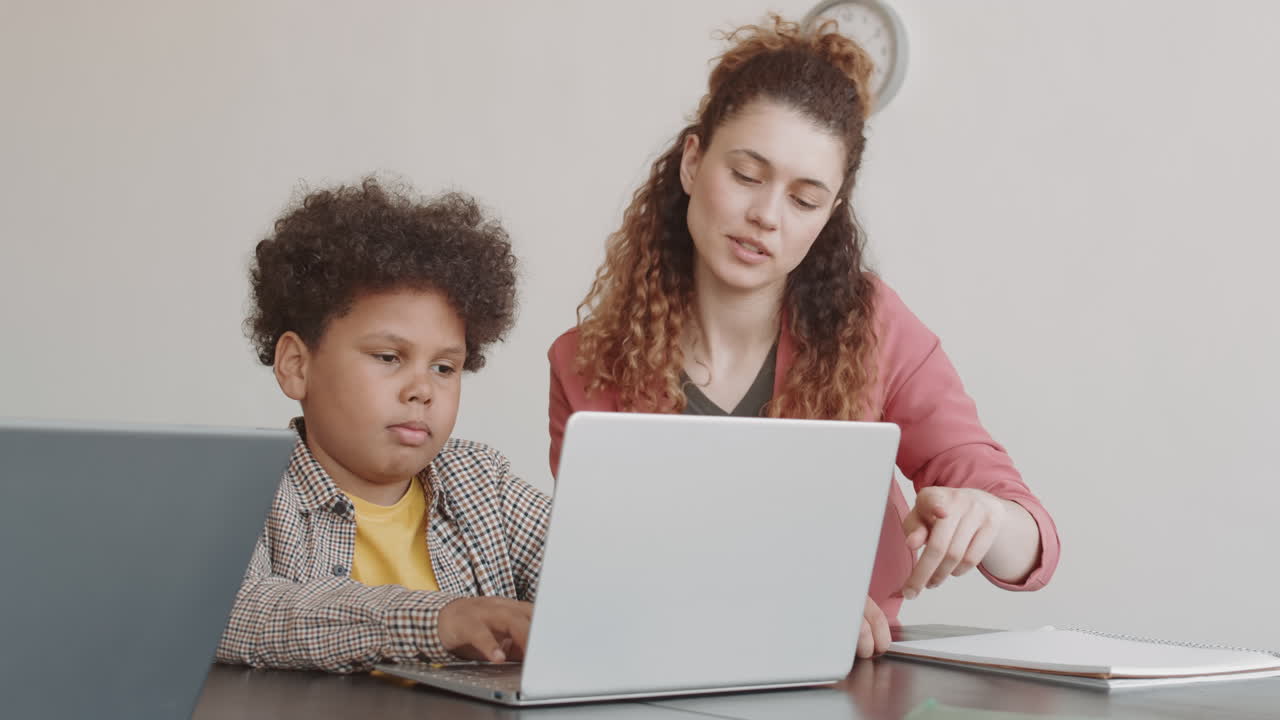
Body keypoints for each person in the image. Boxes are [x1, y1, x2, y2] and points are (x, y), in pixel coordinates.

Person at [547, 17, 1060, 660]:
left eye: (805, 200)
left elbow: (1031, 542)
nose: (765, 216)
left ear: (830, 214)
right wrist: (782, 611)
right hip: (653, 677)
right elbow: (605, 580)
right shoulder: (584, 362)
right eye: (746, 175)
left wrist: (991, 520)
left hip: (847, 685)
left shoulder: (874, 328)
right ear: (692, 162)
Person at [217, 178, 549, 673]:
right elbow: (235, 612)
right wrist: (436, 621)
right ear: (296, 365)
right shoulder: (249, 496)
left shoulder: (483, 485)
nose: (422, 389)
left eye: (444, 367)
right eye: (389, 357)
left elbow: (588, 574)